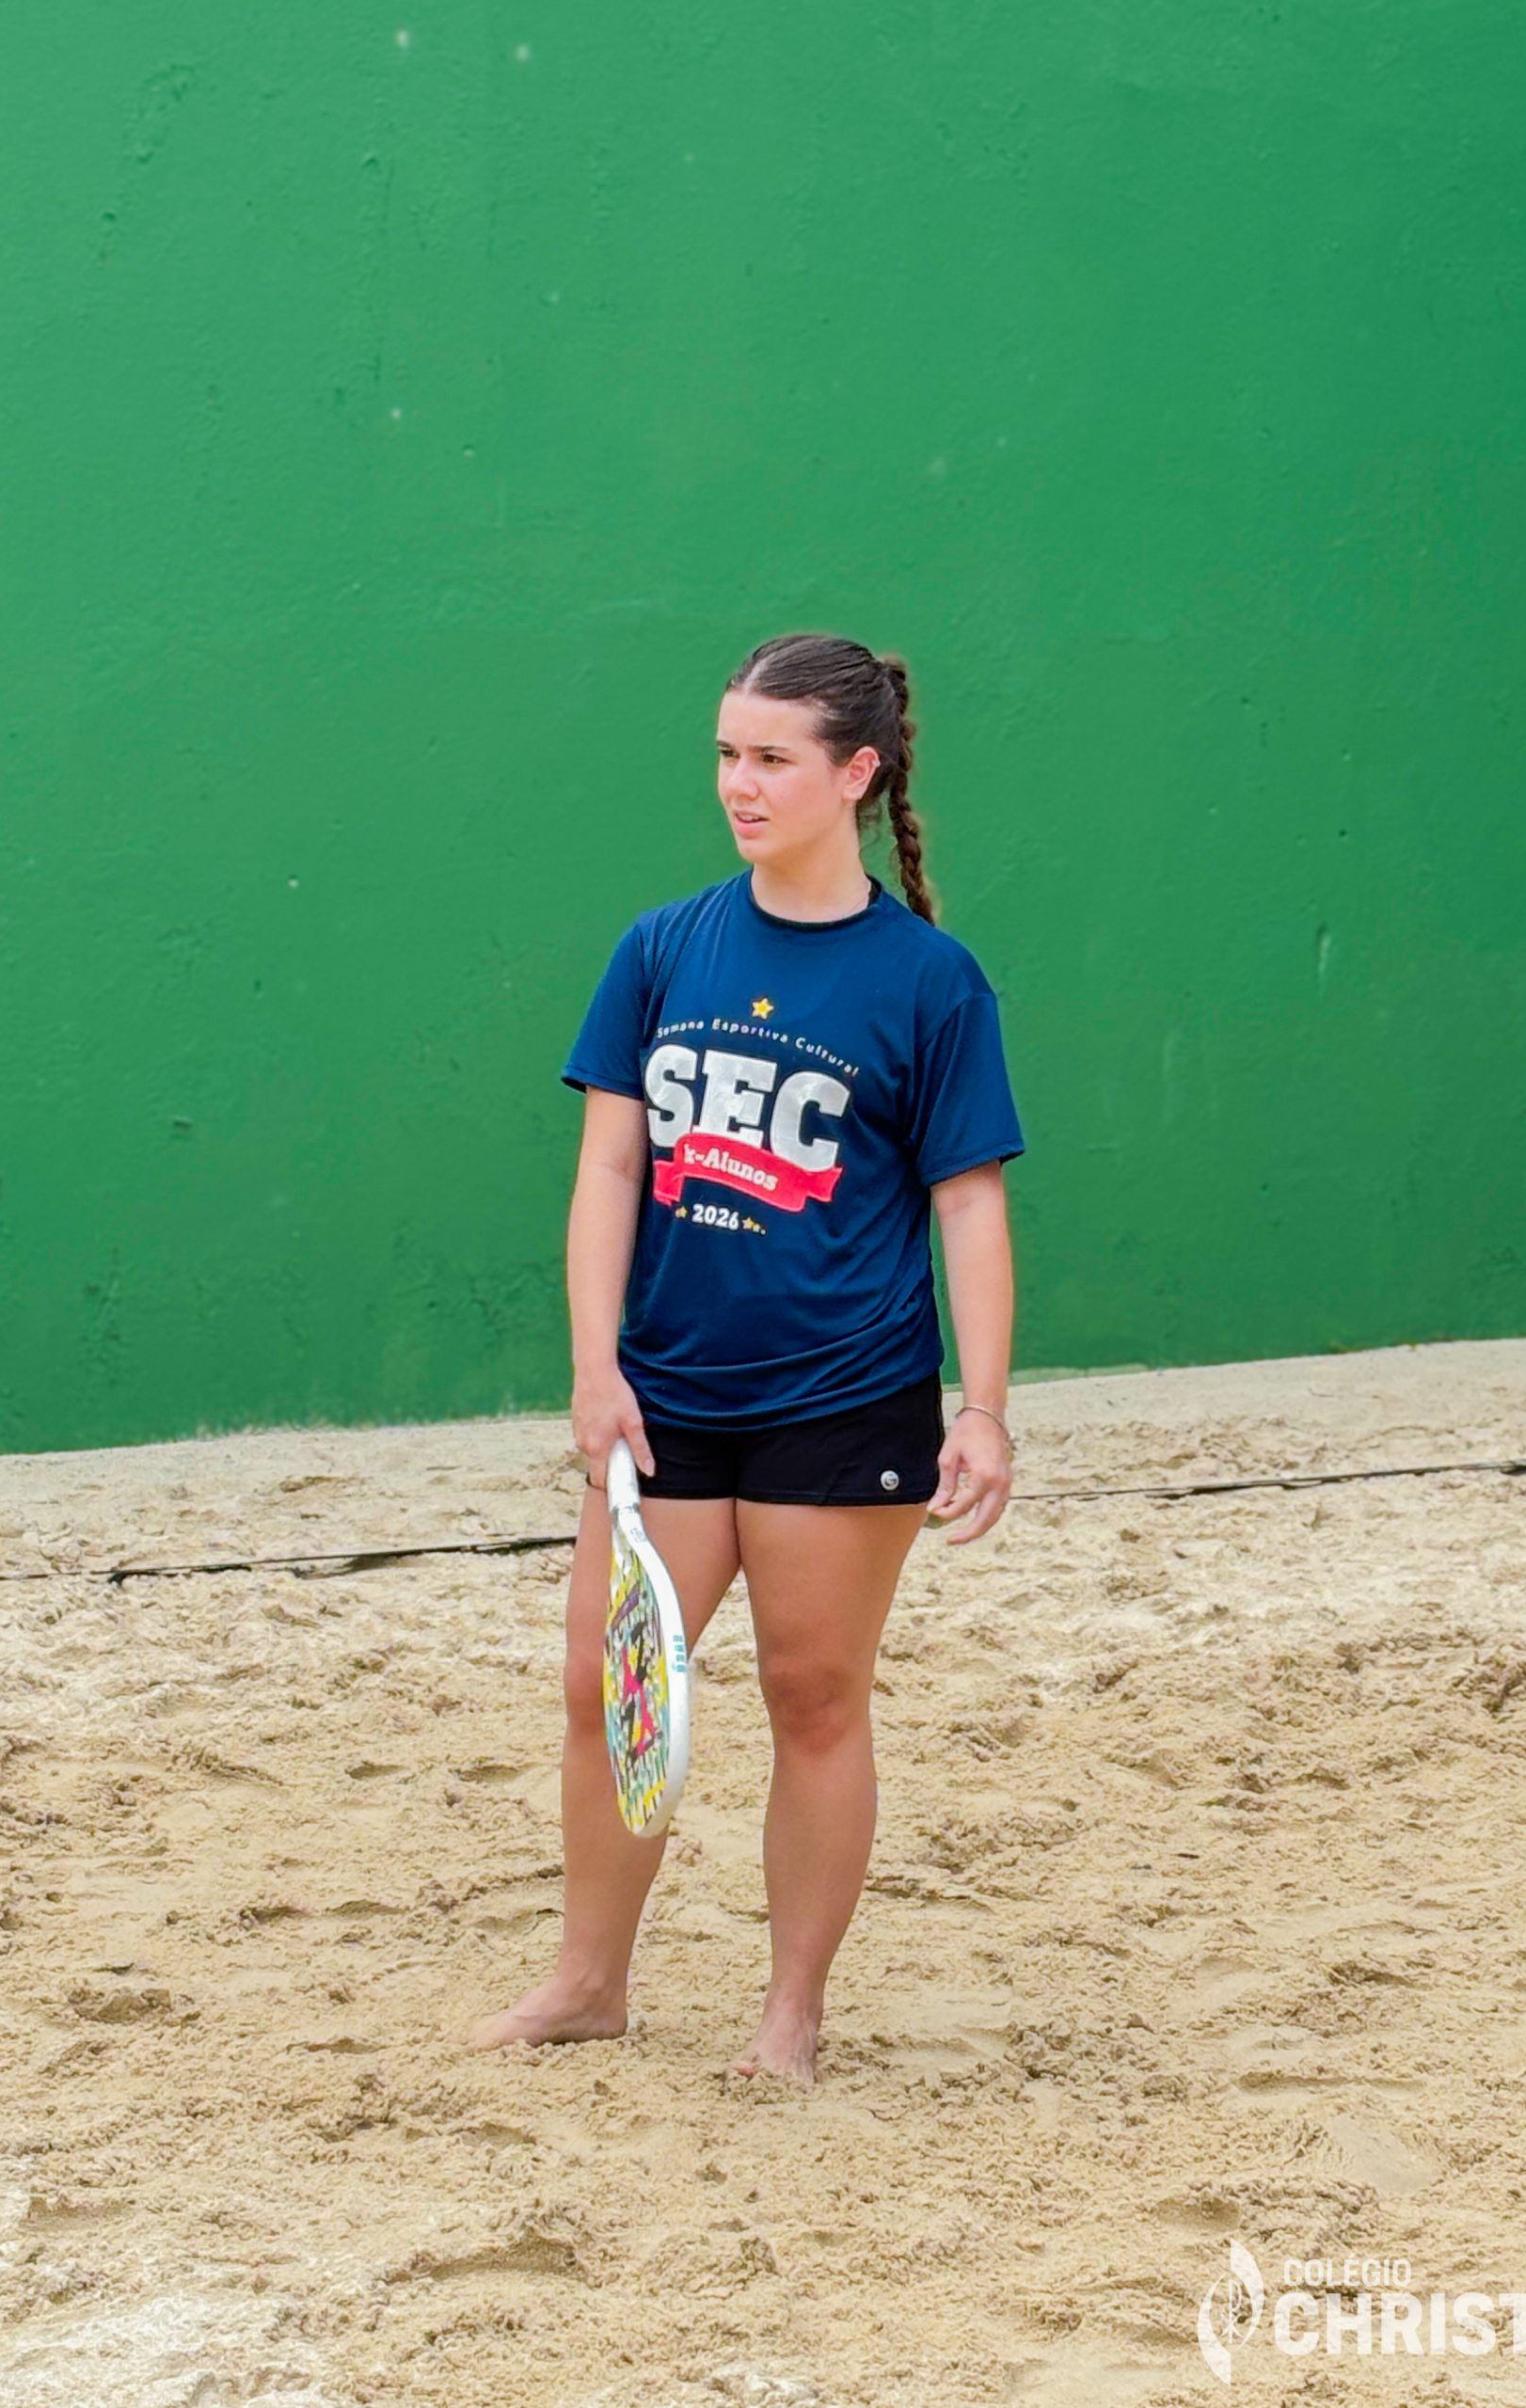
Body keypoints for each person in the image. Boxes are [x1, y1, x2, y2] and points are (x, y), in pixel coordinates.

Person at [470, 631, 1024, 2086]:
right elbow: (608, 1171)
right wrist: (595, 1368)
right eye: (727, 752)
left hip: (845, 1397)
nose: (740, 782)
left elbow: (969, 1204)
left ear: (857, 773)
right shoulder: (663, 949)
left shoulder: (931, 983)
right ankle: (589, 1982)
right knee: (609, 1684)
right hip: (667, 1394)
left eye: (773, 757)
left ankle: (791, 2015)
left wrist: (982, 1408)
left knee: (813, 1695)